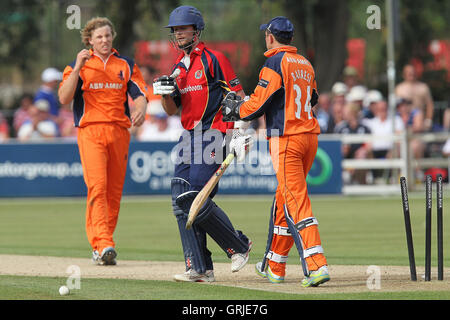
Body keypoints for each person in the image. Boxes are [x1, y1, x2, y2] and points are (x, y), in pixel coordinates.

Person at [221, 16, 329, 287]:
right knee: (285, 198)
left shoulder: (274, 61)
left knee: (296, 201)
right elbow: (312, 98)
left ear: (270, 36)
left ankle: (317, 265)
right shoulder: (304, 62)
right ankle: (275, 264)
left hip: (287, 138)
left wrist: (237, 109)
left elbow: (259, 103)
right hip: (309, 137)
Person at [152, 5, 253, 282]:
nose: (178, 33)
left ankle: (239, 246)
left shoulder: (214, 59)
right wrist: (165, 95)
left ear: (196, 31)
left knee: (194, 194)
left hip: (214, 132)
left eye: (183, 28)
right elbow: (172, 111)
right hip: (188, 136)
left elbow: (240, 97)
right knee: (179, 199)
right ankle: (199, 268)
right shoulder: (177, 68)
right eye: (175, 29)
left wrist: (239, 133)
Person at [58, 17, 149, 266]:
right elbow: (64, 97)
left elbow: (140, 94)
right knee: (97, 186)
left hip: (119, 132)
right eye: (99, 37)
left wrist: (140, 108)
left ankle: (103, 245)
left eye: (108, 35)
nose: (104, 40)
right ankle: (103, 244)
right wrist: (77, 67)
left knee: (113, 192)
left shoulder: (126, 64)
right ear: (89, 40)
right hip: (91, 131)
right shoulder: (80, 65)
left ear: (113, 37)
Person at [395, 64, 434, 132]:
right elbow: (395, 106)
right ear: (404, 74)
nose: (411, 74)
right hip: (404, 121)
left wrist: (428, 120)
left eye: (413, 72)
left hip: (420, 121)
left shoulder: (423, 87)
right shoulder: (399, 88)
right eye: (409, 72)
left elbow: (429, 104)